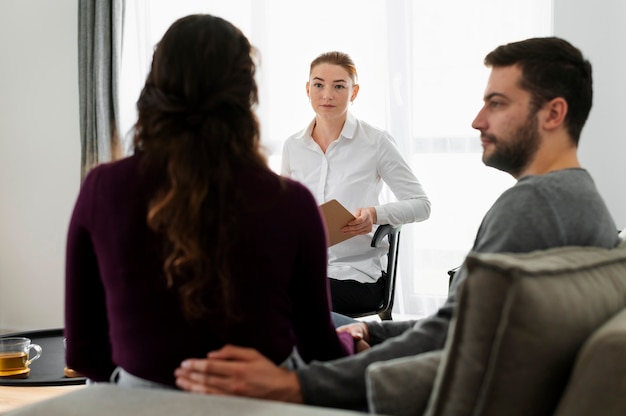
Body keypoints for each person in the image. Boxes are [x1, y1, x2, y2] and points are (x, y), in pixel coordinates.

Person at [173, 37, 620, 410]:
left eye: (497, 103)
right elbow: (463, 323)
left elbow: (453, 336)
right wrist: (373, 330)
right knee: (312, 320)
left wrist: (299, 387)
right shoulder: (582, 202)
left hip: (364, 295)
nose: (477, 120)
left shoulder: (530, 209)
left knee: (265, 325)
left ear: (553, 114)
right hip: (327, 281)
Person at [64, 14, 353, 390]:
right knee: (344, 326)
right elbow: (320, 352)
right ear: (244, 95)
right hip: (259, 402)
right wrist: (351, 340)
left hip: (138, 404)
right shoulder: (294, 203)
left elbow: (84, 354)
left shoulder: (101, 187)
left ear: (154, 88)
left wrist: (147, 381)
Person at [281, 51, 431, 314]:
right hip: (302, 269)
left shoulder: (376, 142)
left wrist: (375, 214)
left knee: (291, 300)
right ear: (307, 89)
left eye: (339, 86)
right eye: (318, 84)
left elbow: (422, 205)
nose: (327, 95)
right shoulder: (293, 146)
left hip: (356, 274)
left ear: (354, 92)